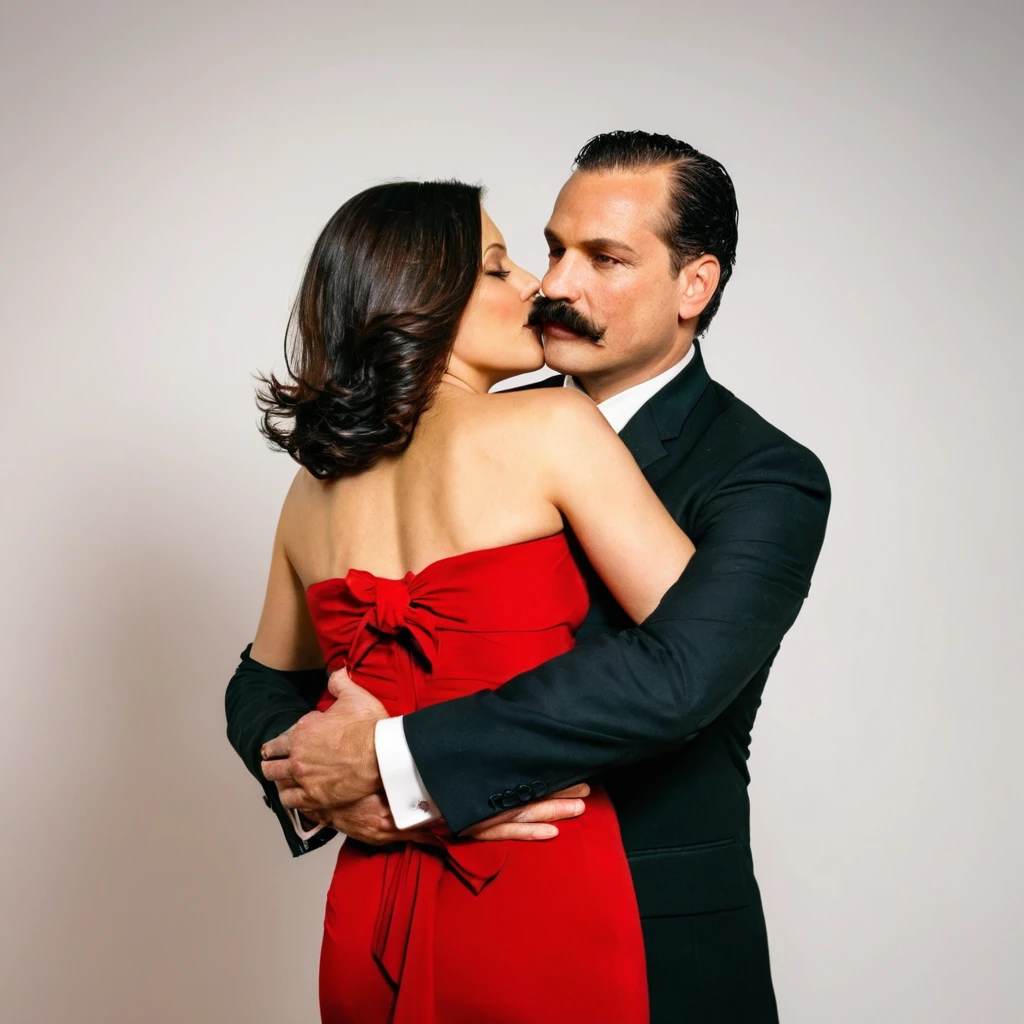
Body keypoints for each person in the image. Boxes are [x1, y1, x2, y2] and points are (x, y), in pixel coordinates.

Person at [228, 131, 831, 1023]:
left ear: (693, 287)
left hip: (659, 934)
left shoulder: (765, 472)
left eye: (605, 258)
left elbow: (680, 679)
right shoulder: (479, 427)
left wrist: (395, 763)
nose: (555, 285)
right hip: (432, 899)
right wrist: (332, 785)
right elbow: (263, 688)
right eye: (549, 251)